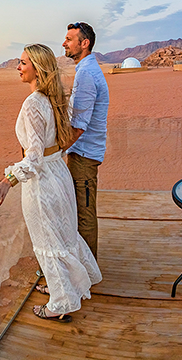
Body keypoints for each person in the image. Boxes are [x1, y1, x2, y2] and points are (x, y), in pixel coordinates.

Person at [0, 43, 101, 323]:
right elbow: (56, 147)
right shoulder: (52, 99)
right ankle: (64, 285)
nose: (18, 67)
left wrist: (7, 181)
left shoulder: (33, 104)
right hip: (58, 175)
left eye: (23, 62)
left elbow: (34, 158)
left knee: (48, 240)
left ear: (37, 68)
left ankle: (61, 304)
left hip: (43, 184)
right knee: (62, 236)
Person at [62, 22, 109, 260]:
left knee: (84, 213)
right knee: (81, 210)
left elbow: (79, 126)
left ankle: (87, 273)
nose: (64, 43)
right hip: (82, 153)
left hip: (83, 155)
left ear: (84, 43)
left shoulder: (87, 74)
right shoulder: (86, 70)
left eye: (69, 39)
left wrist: (56, 150)